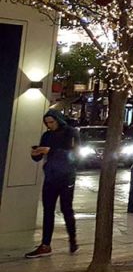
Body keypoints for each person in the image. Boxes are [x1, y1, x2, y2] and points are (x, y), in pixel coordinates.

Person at [25, 110, 79, 258]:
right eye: (47, 123)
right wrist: (36, 153)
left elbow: (73, 154)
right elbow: (40, 156)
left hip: (66, 176)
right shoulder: (47, 135)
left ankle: (72, 239)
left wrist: (51, 150)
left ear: (58, 120)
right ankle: (45, 244)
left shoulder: (71, 133)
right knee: (48, 210)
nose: (49, 125)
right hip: (50, 176)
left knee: (66, 208)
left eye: (52, 122)